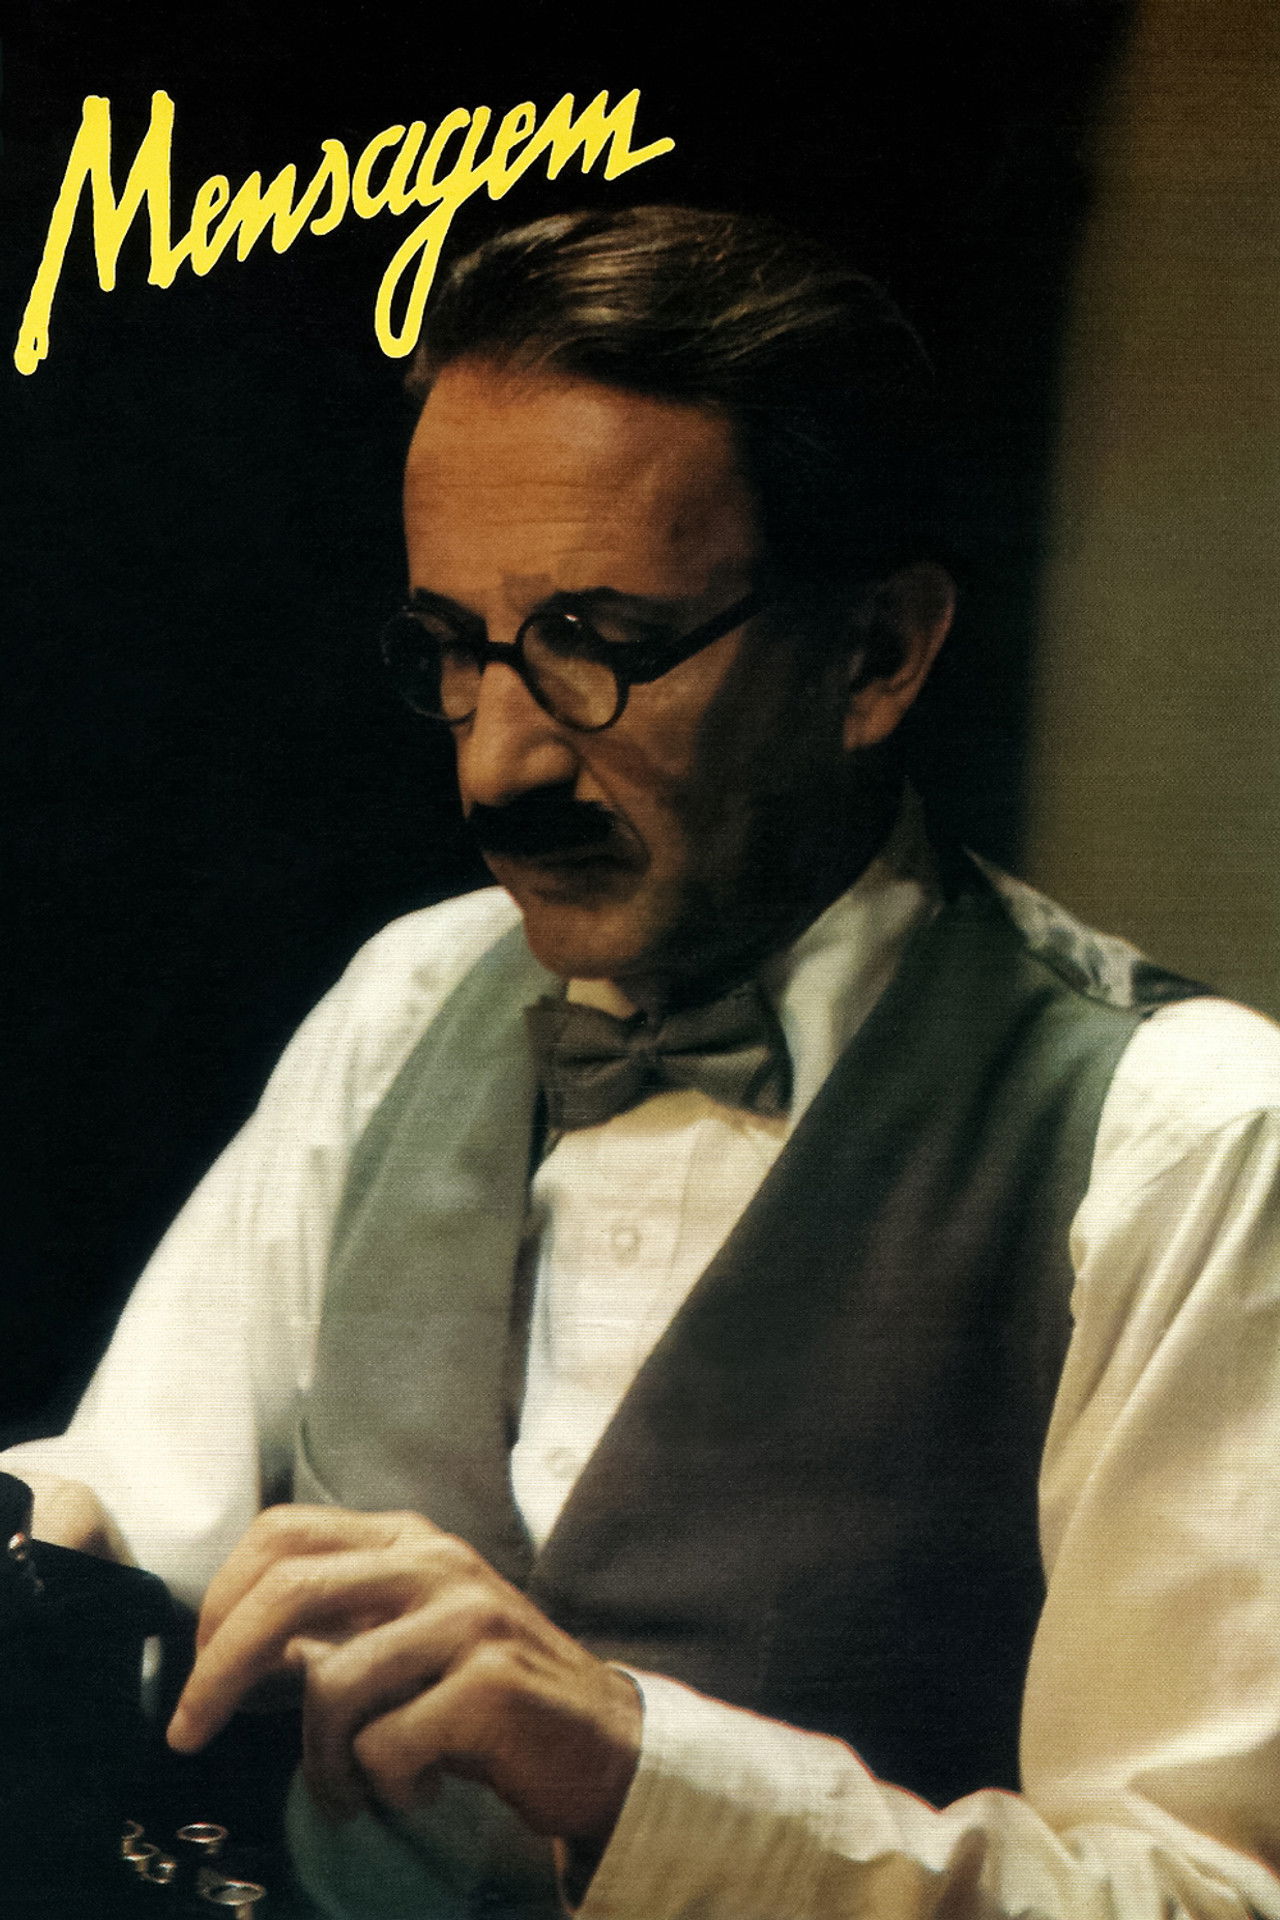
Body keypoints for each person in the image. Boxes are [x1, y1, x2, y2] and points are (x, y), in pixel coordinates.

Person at [8, 205, 1280, 1920]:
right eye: (456, 650)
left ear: (878, 653)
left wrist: (633, 1772)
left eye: (598, 645)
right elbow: (115, 1521)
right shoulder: (408, 998)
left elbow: (1207, 1898)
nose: (497, 771)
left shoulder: (1193, 1137)